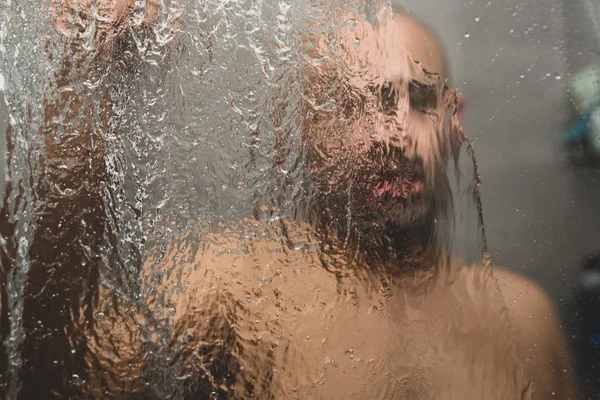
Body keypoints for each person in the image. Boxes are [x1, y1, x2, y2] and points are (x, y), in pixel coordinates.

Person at [0, 1, 576, 399]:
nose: (394, 135)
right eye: (356, 104)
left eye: (420, 99)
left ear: (454, 121)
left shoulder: (524, 317)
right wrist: (92, 75)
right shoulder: (230, 288)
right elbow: (53, 377)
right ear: (299, 135)